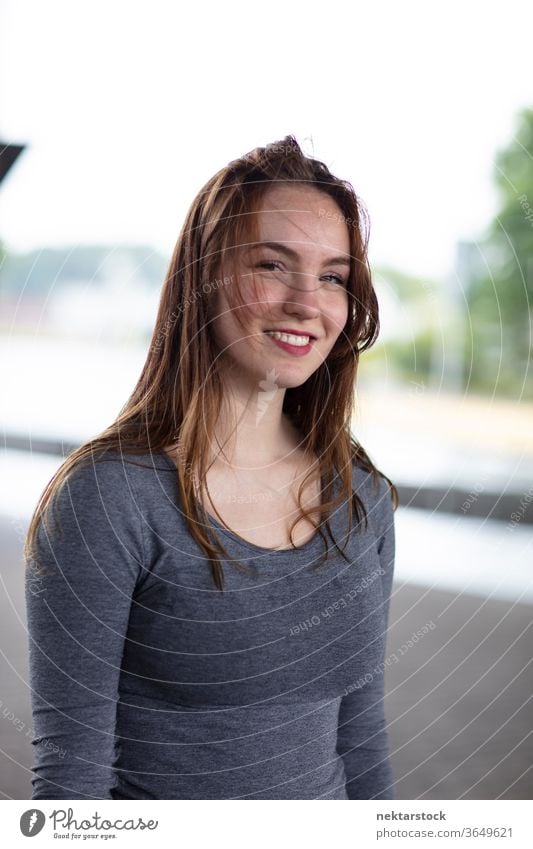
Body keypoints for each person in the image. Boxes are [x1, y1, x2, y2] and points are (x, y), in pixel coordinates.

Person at [24, 134, 398, 800]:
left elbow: (361, 738)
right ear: (203, 275)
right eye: (272, 265)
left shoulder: (358, 494)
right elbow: (70, 774)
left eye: (333, 276)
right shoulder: (109, 499)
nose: (306, 303)